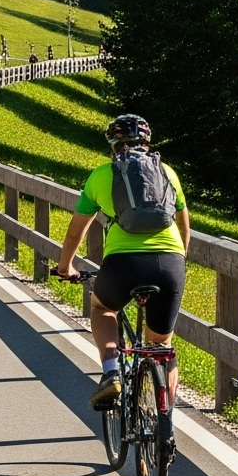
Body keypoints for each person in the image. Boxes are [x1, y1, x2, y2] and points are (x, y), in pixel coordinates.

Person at [55, 114, 190, 412]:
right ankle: (165, 422)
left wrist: (65, 267)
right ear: (147, 141)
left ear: (113, 145)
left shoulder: (102, 175)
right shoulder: (168, 172)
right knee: (161, 346)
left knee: (103, 308)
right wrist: (179, 264)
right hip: (169, 263)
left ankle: (111, 371)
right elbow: (184, 229)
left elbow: (76, 231)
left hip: (122, 264)